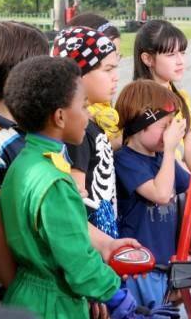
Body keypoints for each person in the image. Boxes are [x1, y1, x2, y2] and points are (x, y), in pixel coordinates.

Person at [0, 56, 168, 318]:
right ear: (60, 117)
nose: (89, 114)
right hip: (54, 306)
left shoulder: (25, 162)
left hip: (26, 297)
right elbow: (79, 264)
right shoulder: (54, 181)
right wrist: (120, 300)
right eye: (85, 106)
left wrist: (106, 245)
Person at [114, 80, 191, 307]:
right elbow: (160, 194)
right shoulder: (125, 159)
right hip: (140, 267)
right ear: (140, 124)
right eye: (165, 126)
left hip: (164, 264)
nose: (170, 133)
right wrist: (172, 148)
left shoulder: (161, 158)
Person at [0, 21, 49, 300]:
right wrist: (20, 294)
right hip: (12, 289)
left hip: (41, 280)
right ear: (13, 75)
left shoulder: (23, 130)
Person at [52, 26, 121, 239]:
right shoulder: (77, 133)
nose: (115, 77)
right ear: (78, 75)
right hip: (93, 239)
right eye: (107, 69)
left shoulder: (91, 124)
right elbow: (77, 194)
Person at [133, 20, 191, 170]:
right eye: (171, 55)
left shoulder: (181, 98)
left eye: (182, 53)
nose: (180, 61)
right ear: (148, 59)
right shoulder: (138, 104)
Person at [68, 13, 123, 150]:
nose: (115, 76)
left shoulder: (104, 107)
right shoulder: (79, 123)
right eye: (108, 67)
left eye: (117, 55)